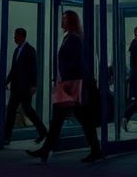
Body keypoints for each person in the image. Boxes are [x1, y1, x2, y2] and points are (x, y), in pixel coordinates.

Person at [27, 10, 103, 163]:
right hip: (67, 84)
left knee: (80, 118)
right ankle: (46, 150)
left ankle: (95, 150)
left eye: (64, 18)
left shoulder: (73, 39)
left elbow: (76, 61)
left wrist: (67, 81)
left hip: (71, 85)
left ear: (71, 21)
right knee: (61, 119)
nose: (62, 21)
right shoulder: (68, 37)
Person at [3, 27, 48, 145]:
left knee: (28, 110)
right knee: (11, 110)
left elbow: (34, 68)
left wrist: (34, 85)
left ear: (22, 36)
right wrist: (6, 81)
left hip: (25, 87)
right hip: (16, 87)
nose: (14, 38)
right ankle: (6, 136)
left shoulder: (30, 50)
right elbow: (14, 69)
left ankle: (43, 131)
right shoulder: (16, 51)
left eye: (16, 36)